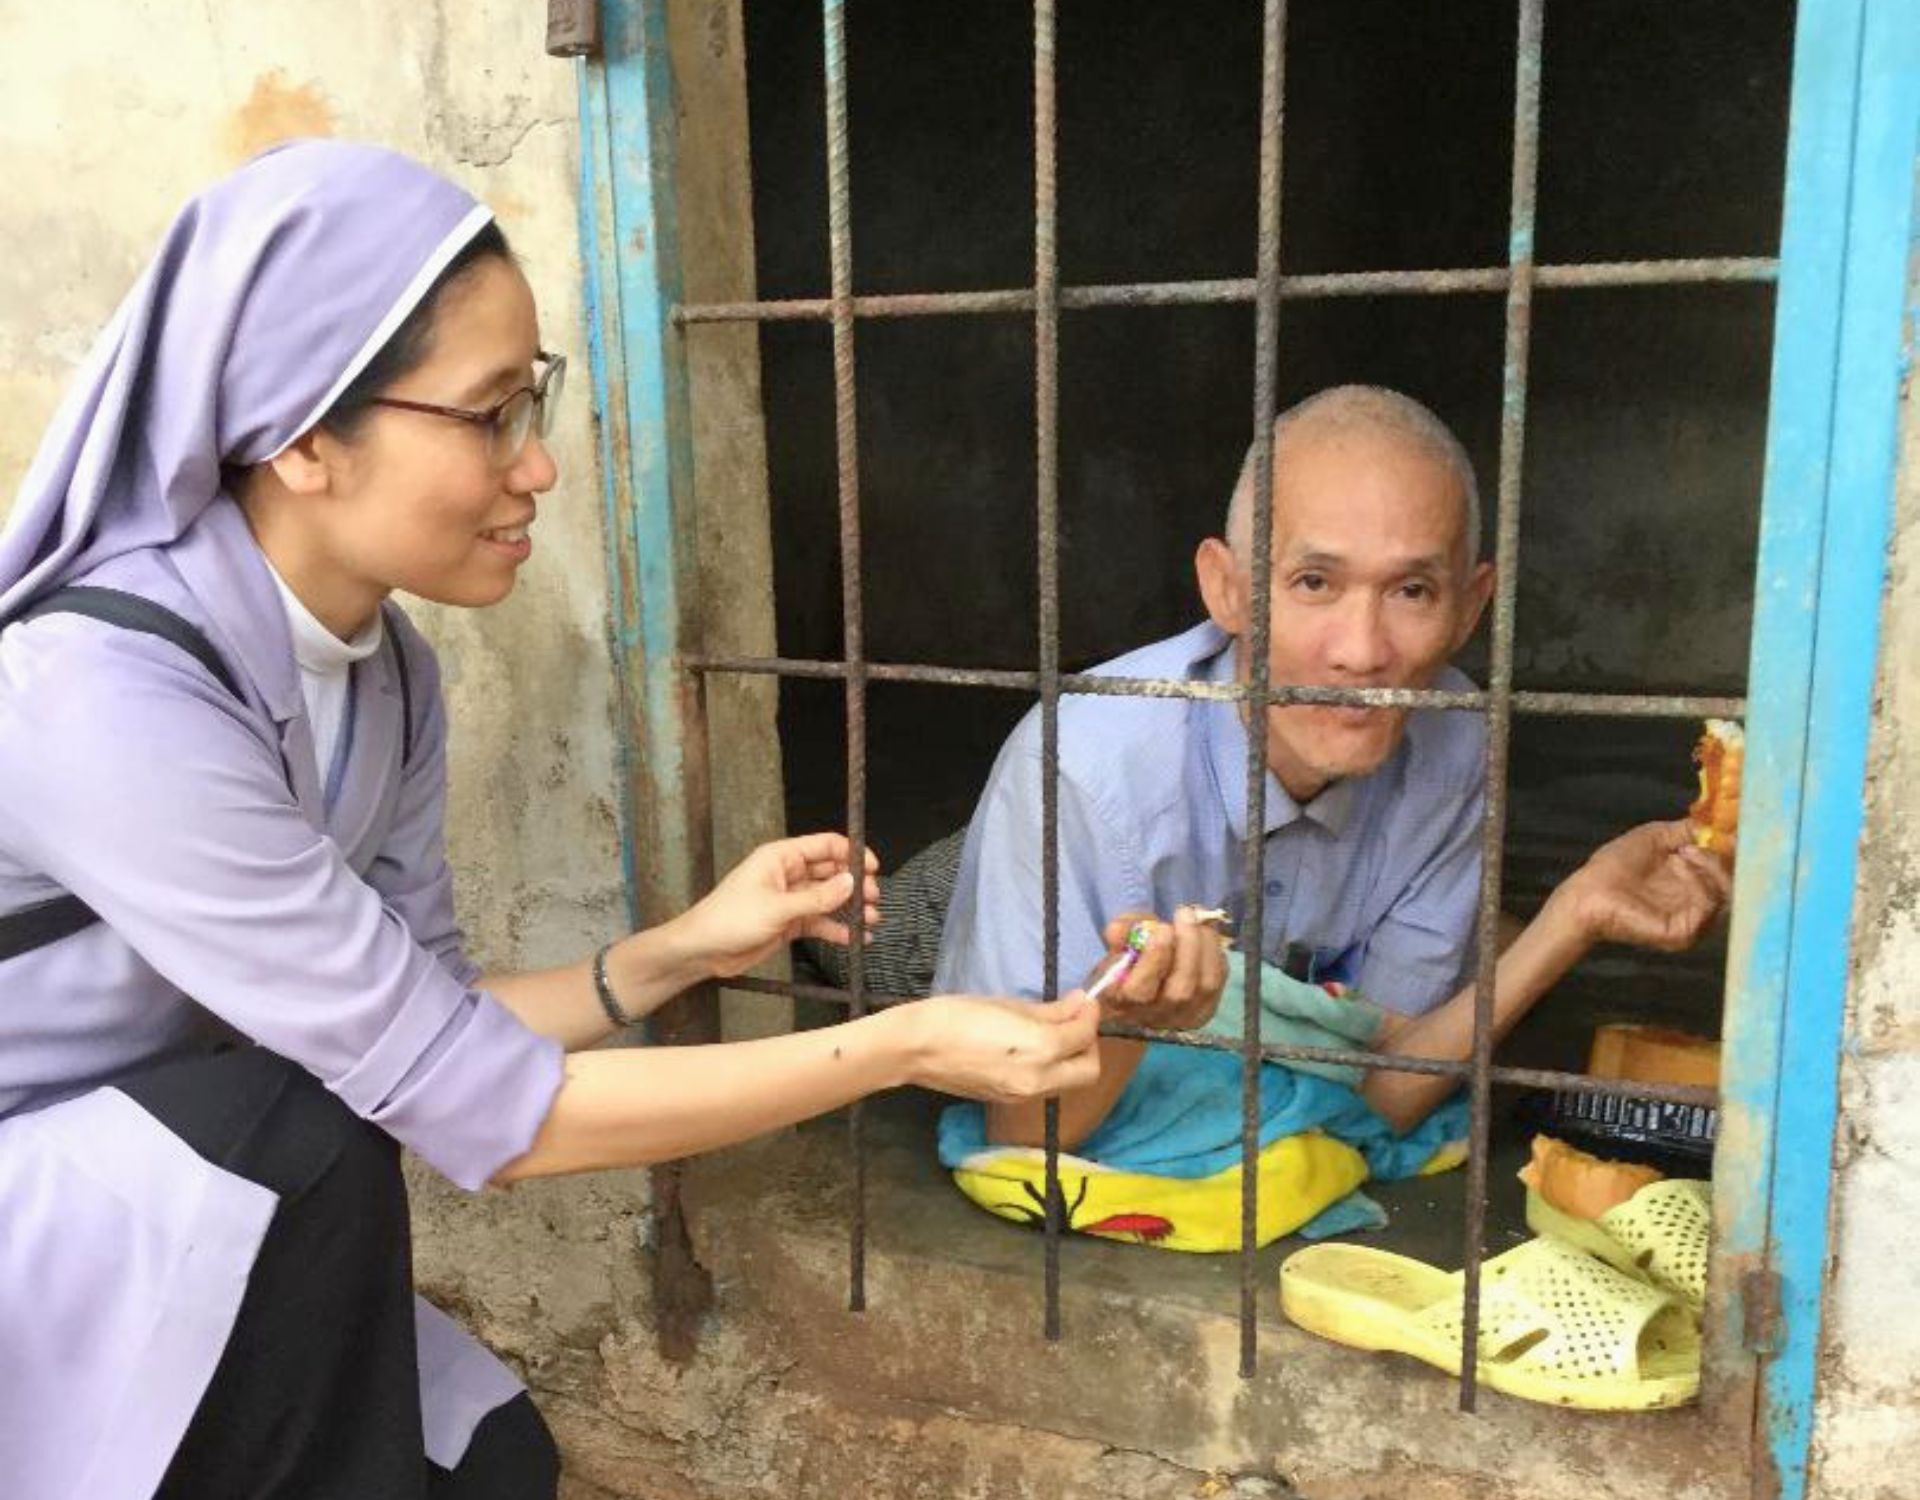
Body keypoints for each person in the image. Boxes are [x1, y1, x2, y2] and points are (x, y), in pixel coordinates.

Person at [0, 141, 1101, 1500]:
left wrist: (680, 952)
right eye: (488, 416)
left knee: (497, 1463)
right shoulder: (109, 693)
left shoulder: (388, 674)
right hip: (61, 1199)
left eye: (537, 402)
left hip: (171, 1185)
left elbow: (435, 1018)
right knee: (300, 1136)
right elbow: (477, 1113)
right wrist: (902, 1043)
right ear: (303, 438)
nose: (539, 469)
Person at [934, 385, 1730, 1149]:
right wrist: (1131, 1017)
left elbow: (1383, 1093)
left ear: (1470, 607)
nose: (1361, 651)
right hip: (938, 906)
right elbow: (1021, 1131)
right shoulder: (1080, 764)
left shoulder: (1455, 739)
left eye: (1412, 591)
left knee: (1473, 955)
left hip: (1287, 964)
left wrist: (1572, 917)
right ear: (1226, 588)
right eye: (1314, 582)